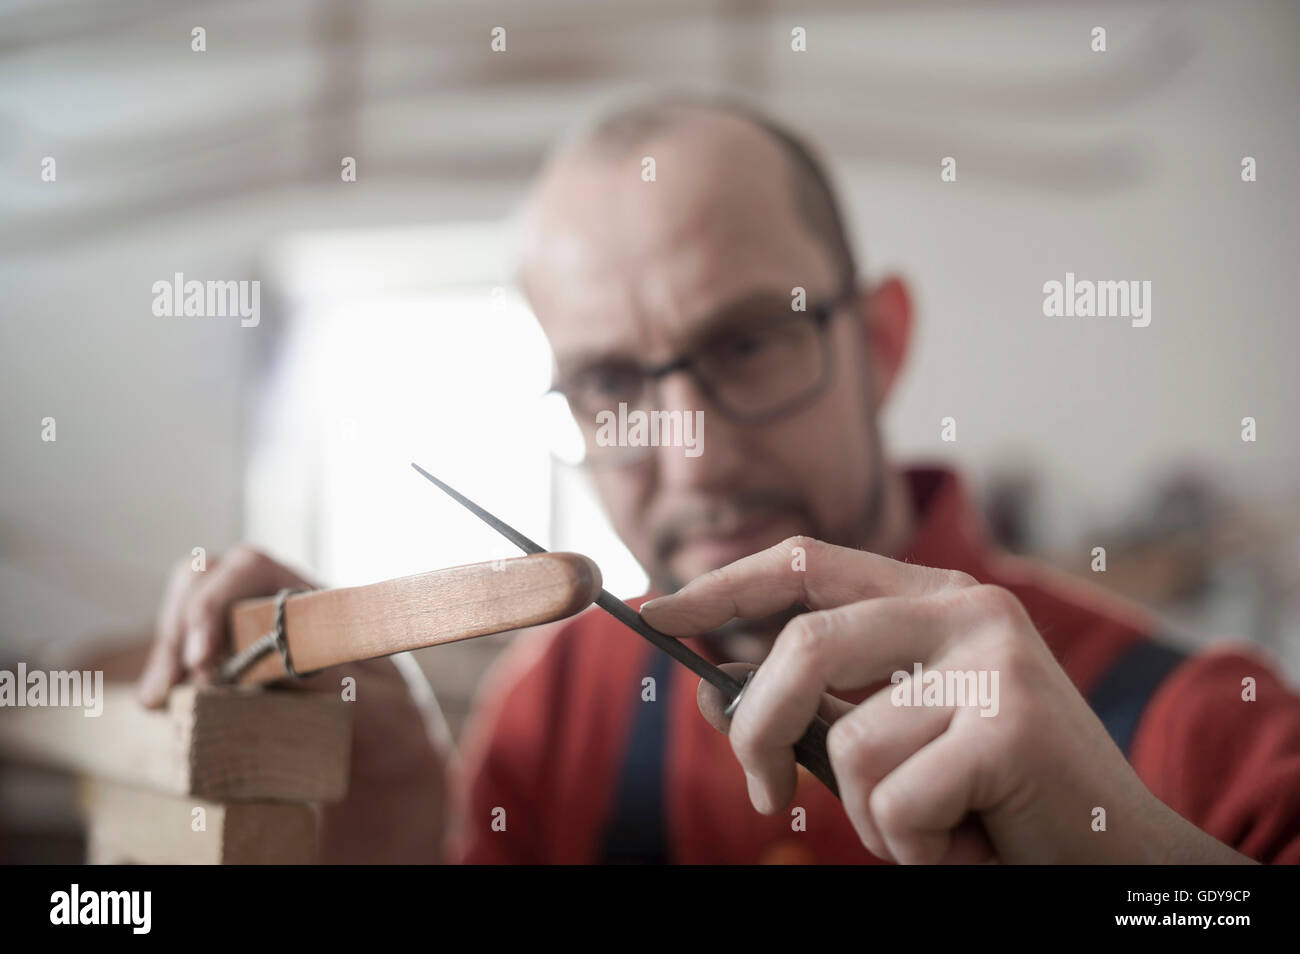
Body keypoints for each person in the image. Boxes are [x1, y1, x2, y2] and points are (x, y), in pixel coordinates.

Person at [136, 93, 1300, 864]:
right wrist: (386, 830)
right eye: (610, 383)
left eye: (748, 342)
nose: (692, 455)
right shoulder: (552, 717)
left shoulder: (1216, 729)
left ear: (881, 342)